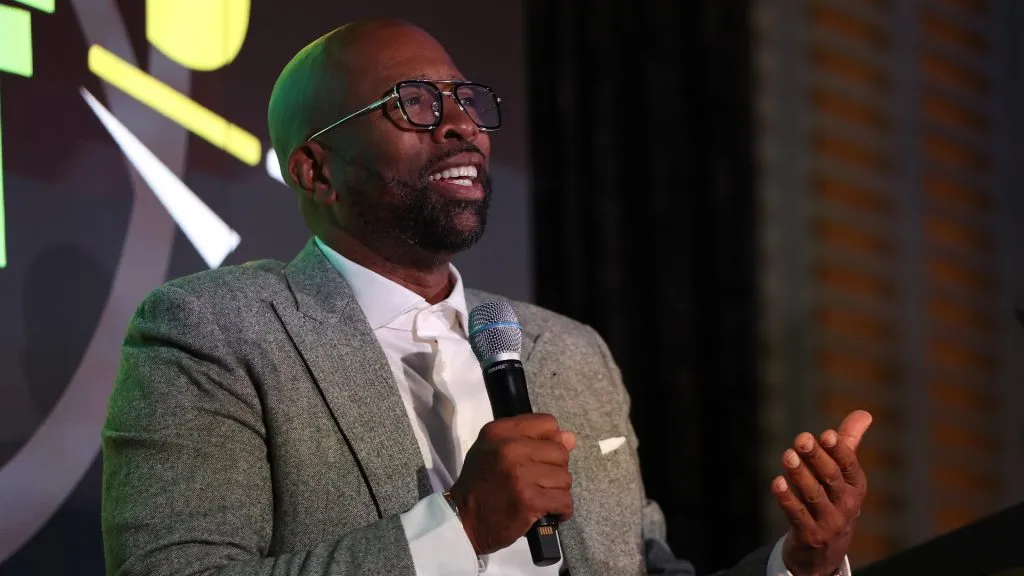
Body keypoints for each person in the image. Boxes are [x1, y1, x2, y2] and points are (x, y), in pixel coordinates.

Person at [101, 19, 872, 576]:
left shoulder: (569, 353)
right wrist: (460, 526)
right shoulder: (215, 331)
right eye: (416, 103)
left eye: (466, 100)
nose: (463, 126)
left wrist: (800, 565)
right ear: (315, 170)